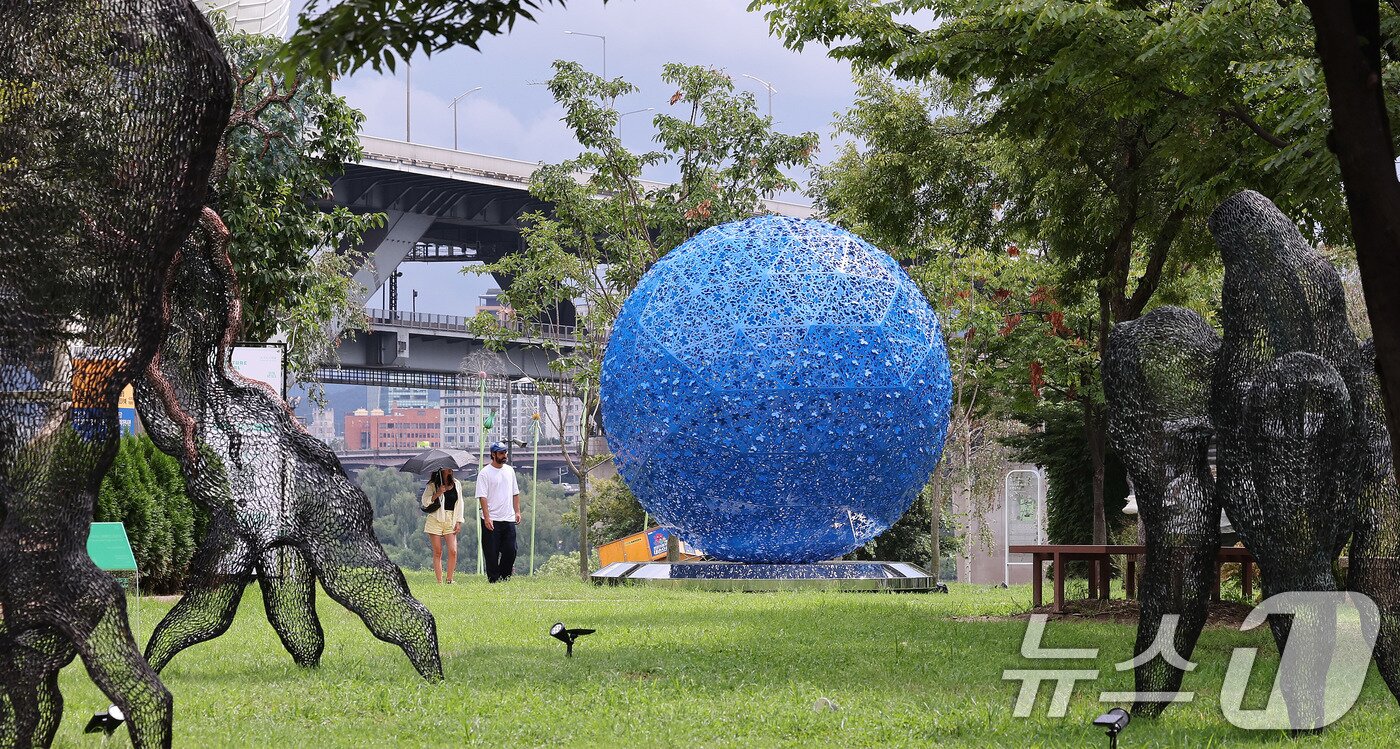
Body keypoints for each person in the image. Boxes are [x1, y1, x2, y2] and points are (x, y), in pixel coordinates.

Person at [476, 441, 521, 583]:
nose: (504, 456)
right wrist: (487, 517)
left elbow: (515, 492)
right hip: (492, 519)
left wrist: (517, 511)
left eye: (505, 453)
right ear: (493, 454)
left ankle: (505, 576)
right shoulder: (484, 473)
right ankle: (493, 580)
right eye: (501, 453)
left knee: (511, 551)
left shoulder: (510, 471)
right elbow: (482, 497)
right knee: (491, 553)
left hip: (508, 518)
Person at [422, 467, 465, 584]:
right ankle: (439, 581)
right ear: (440, 470)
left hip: (451, 519)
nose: (450, 469)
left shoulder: (457, 484)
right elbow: (425, 501)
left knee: (453, 550)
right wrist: (438, 493)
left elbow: (460, 503)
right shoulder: (432, 485)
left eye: (450, 467)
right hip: (435, 519)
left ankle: (450, 579)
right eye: (447, 468)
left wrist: (459, 521)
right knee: (438, 551)